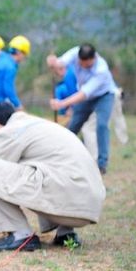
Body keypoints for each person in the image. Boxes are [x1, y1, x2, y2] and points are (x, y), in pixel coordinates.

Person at [0, 103, 106, 251]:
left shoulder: (8, 132)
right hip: (90, 206)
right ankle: (65, 233)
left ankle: (20, 234)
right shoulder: (38, 125)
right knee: (47, 166)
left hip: (70, 202)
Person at [47, 43, 118, 174]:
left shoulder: (101, 69)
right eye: (81, 63)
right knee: (72, 126)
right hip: (85, 97)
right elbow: (60, 63)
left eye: (87, 65)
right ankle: (59, 157)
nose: (83, 67)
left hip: (104, 95)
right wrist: (53, 62)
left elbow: (84, 93)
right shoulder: (75, 52)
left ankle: (102, 164)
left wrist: (62, 103)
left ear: (94, 59)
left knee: (102, 125)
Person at [0, 35, 30, 109]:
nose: (24, 57)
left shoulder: (2, 59)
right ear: (19, 53)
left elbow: (1, 54)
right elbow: (8, 89)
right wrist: (18, 104)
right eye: (24, 54)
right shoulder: (10, 67)